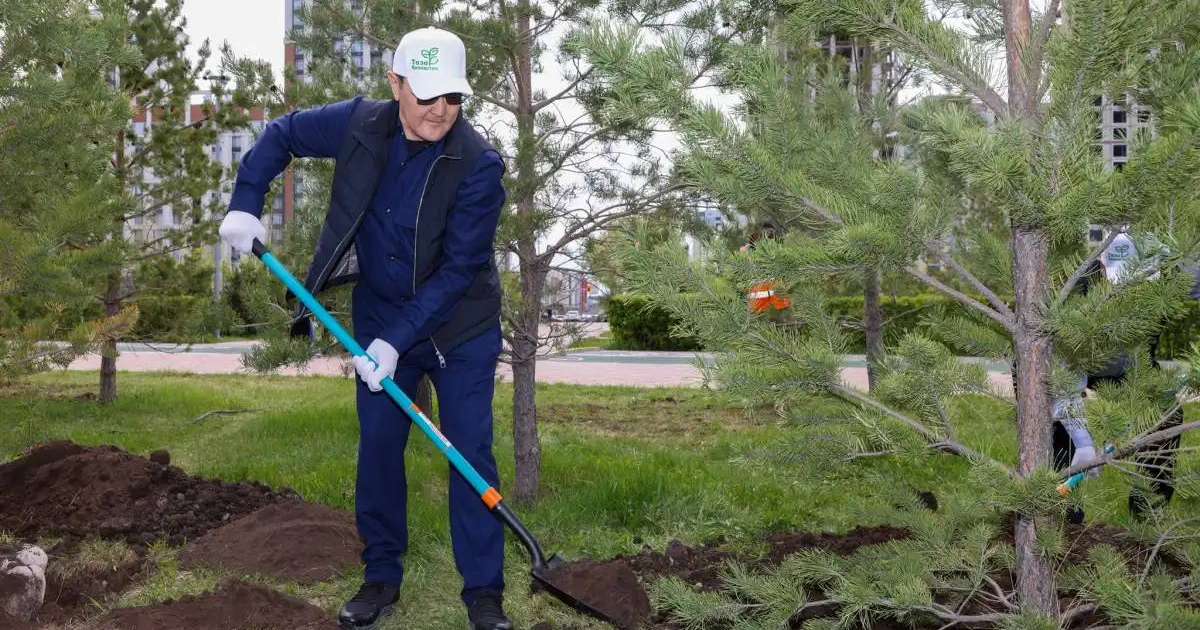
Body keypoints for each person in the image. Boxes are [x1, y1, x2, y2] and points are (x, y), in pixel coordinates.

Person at [218, 27, 512, 630]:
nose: (440, 110)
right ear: (395, 84)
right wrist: (246, 200)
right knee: (379, 449)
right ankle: (381, 577)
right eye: (426, 94)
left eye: (452, 97)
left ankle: (483, 591)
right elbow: (283, 134)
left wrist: (395, 342)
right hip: (379, 315)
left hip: (459, 327)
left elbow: (457, 272)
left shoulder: (478, 165)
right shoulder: (358, 124)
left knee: (470, 452)